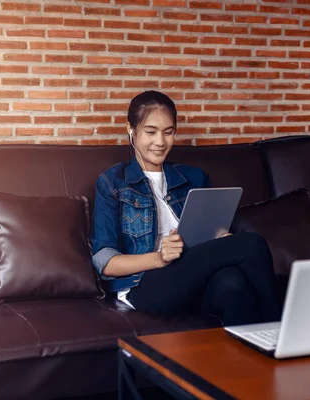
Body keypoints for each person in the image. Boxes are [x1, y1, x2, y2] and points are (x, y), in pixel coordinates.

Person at [91, 90, 280, 326]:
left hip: (192, 279)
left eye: (168, 132)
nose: (160, 142)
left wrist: (222, 239)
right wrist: (160, 258)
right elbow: (105, 263)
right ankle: (279, 330)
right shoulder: (112, 183)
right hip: (144, 286)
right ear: (131, 129)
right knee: (252, 243)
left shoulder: (194, 177)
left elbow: (213, 237)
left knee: (232, 283)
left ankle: (248, 358)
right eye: (151, 132)